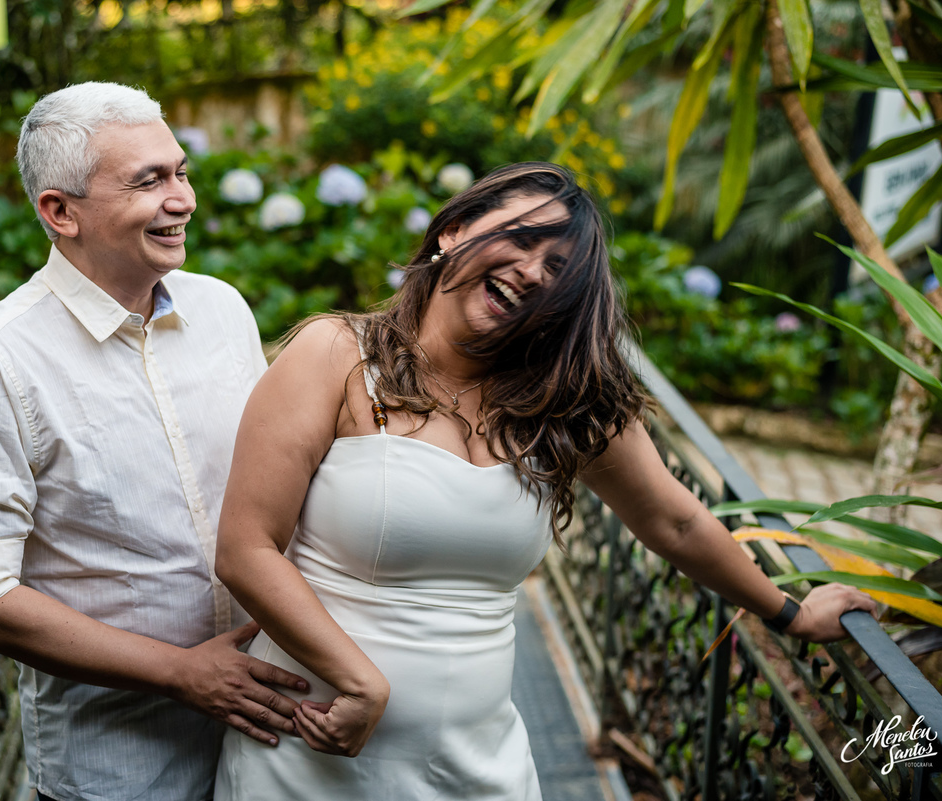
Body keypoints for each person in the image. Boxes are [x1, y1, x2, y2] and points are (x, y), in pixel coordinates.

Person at [212, 162, 877, 800]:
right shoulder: (335, 355)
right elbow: (245, 547)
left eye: (557, 271)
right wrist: (360, 683)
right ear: (454, 230)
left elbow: (673, 519)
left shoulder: (563, 403)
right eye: (522, 239)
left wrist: (789, 611)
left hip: (475, 767)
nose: (532, 272)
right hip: (310, 747)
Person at [0, 82, 309, 801]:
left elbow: (279, 484)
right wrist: (180, 670)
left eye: (181, 171)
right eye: (149, 179)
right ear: (60, 212)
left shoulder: (222, 309)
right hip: (124, 767)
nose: (184, 198)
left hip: (272, 740)